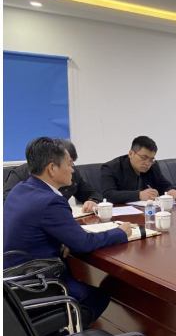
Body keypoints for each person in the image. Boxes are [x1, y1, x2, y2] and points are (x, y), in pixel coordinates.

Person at [3, 137, 132, 326]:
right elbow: (83, 243)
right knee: (98, 296)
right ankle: (61, 335)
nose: (73, 170)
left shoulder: (20, 189)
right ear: (52, 168)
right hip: (38, 283)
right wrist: (119, 232)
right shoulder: (51, 201)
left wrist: (62, 239)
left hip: (12, 280)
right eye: (70, 164)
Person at [4, 140, 102, 211]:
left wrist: (93, 201)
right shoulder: (21, 174)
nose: (72, 169)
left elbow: (93, 194)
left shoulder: (73, 173)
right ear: (52, 166)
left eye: (72, 164)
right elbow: (7, 203)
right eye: (68, 164)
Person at [101, 136, 176, 204]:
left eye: (151, 159)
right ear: (131, 154)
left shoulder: (153, 167)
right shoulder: (111, 168)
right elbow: (108, 195)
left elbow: (165, 185)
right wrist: (139, 195)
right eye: (144, 158)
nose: (148, 163)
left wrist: (172, 190)